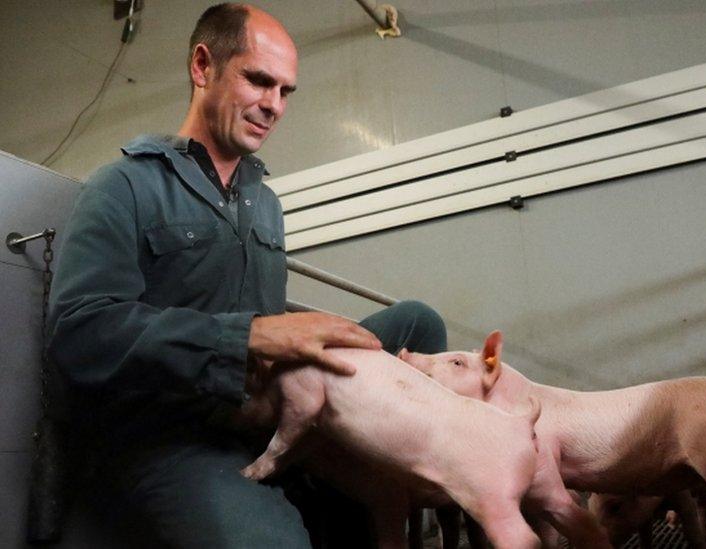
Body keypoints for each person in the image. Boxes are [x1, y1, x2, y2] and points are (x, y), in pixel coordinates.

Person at [47, 4, 446, 547]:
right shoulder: (124, 186)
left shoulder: (266, 204)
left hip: (270, 414)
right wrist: (253, 334)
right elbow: (82, 331)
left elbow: (261, 318)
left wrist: (304, 337)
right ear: (203, 66)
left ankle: (398, 484)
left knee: (417, 323)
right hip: (179, 438)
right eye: (259, 81)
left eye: (286, 92)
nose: (273, 106)